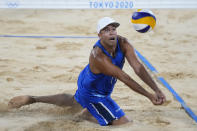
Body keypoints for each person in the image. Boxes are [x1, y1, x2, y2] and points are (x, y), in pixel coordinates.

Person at [8, 17, 166, 126]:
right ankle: (87, 115)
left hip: (95, 83)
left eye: (114, 29)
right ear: (99, 35)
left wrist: (156, 89)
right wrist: (149, 96)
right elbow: (124, 77)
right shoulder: (98, 55)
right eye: (106, 30)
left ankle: (33, 99)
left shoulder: (123, 43)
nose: (112, 32)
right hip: (93, 93)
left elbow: (137, 67)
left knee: (74, 102)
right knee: (122, 122)